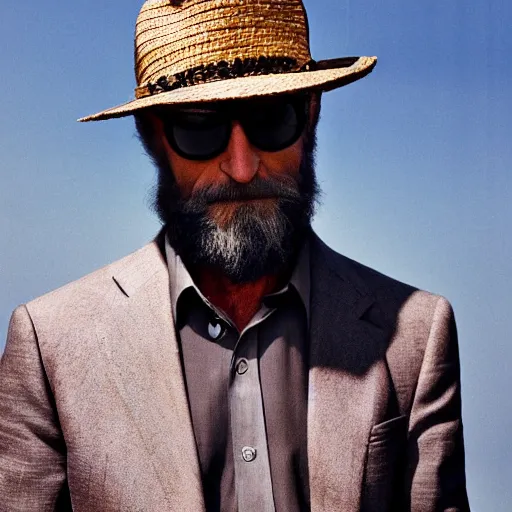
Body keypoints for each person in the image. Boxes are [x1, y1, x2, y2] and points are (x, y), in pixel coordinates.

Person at [0, 0, 469, 511]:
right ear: (152, 134)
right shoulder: (52, 346)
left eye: (271, 119)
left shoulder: (416, 338)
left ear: (311, 113)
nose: (242, 167)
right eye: (200, 128)